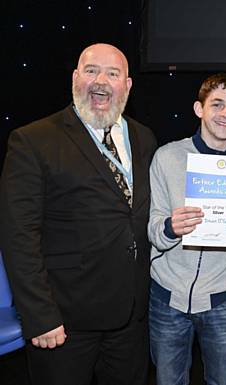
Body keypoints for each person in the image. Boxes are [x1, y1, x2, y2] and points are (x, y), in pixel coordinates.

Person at [0, 43, 157, 384]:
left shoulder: (144, 138)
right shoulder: (33, 140)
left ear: (127, 85)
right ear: (75, 78)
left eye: (113, 74)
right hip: (65, 323)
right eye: (91, 71)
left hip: (131, 321)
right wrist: (40, 317)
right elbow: (18, 237)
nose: (101, 81)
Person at [147, 73, 226, 385]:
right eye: (217, 104)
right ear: (199, 108)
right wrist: (171, 228)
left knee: (222, 381)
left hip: (223, 298)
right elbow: (153, 229)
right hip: (167, 296)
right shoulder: (167, 157)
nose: (224, 114)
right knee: (168, 381)